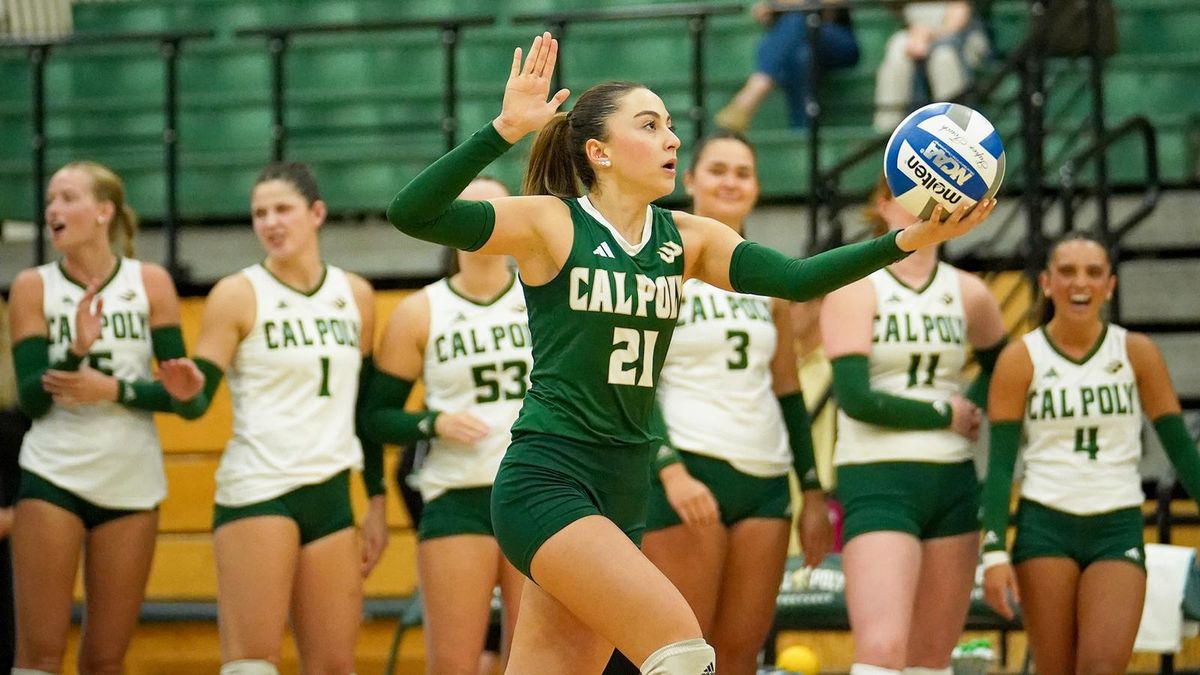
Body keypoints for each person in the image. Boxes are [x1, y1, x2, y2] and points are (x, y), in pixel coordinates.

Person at [386, 33, 995, 674]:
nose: (672, 139)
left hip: (625, 487)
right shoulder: (551, 223)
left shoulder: (687, 238)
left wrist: (907, 239)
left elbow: (797, 280)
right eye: (650, 125)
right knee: (681, 649)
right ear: (599, 152)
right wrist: (504, 130)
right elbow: (413, 213)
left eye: (671, 125)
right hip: (550, 477)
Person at [603, 130, 831, 675]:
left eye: (743, 173)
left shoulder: (768, 277)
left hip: (766, 479)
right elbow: (631, 381)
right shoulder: (656, 265)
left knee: (739, 655)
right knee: (679, 654)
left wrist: (812, 490)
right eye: (718, 170)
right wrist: (671, 471)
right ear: (691, 180)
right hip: (687, 472)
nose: (731, 182)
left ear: (757, 188)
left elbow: (788, 391)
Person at [156, 162, 388, 675]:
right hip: (259, 489)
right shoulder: (237, 293)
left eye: (283, 209)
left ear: (316, 213)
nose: (270, 222)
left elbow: (363, 408)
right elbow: (195, 401)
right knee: (252, 665)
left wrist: (375, 497)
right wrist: (186, 393)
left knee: (335, 667)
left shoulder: (355, 294)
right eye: (260, 213)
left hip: (331, 492)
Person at [980, 233, 1200, 674]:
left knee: (1103, 666)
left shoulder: (1137, 352)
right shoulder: (1020, 359)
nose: (1080, 282)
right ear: (1046, 283)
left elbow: (1181, 449)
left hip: (1116, 526)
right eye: (1067, 272)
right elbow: (1000, 465)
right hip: (1044, 526)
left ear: (1109, 285)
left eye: (1093, 272)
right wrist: (994, 552)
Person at [6, 161, 191, 675]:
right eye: (50, 200)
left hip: (131, 480)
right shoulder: (33, 287)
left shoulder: (150, 283)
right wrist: (73, 352)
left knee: (107, 660)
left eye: (67, 198)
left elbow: (179, 397)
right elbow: (31, 400)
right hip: (54, 473)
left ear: (104, 211)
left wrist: (118, 389)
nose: (53, 209)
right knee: (39, 657)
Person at [818, 175, 1006, 675]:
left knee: (931, 659)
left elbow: (1003, 367)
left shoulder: (969, 292)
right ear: (883, 204)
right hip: (878, 477)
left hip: (953, 482)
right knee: (881, 651)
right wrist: (945, 414)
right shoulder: (857, 286)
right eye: (912, 194)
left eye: (940, 196)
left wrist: (973, 406)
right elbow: (855, 398)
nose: (928, 205)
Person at [362, 176, 528, 675]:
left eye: (492, 211)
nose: (479, 222)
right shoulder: (419, 312)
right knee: (453, 665)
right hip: (457, 498)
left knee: (533, 662)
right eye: (466, 211)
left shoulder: (546, 295)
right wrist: (434, 423)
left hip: (536, 493)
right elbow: (375, 418)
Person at [714, 0, 859, 132]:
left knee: (797, 20)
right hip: (801, 45)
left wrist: (789, 5)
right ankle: (802, 134)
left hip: (838, 41)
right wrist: (769, 12)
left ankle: (753, 92)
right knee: (801, 56)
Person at [873, 1, 989, 132]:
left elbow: (959, 11)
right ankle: (888, 129)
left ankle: (954, 127)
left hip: (959, 35)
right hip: (916, 32)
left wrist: (929, 35)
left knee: (943, 56)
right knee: (897, 46)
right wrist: (917, 34)